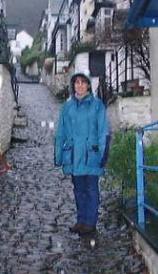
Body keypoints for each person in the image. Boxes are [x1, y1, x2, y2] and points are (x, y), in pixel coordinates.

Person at [54, 71, 110, 235]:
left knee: (91, 188)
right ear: (73, 86)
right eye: (76, 83)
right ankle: (81, 220)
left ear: (88, 85)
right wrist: (59, 156)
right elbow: (60, 132)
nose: (79, 85)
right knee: (78, 189)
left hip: (90, 155)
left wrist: (102, 154)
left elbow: (103, 131)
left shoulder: (97, 105)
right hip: (73, 155)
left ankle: (90, 222)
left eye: (82, 82)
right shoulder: (67, 107)